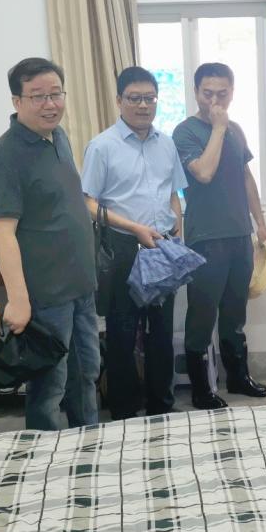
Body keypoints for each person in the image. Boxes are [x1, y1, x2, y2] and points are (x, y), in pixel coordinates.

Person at [0, 57, 99, 430]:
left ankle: (88, 442)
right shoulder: (6, 156)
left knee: (87, 373)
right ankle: (42, 453)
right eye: (38, 96)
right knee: (49, 386)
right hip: (47, 295)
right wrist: (18, 300)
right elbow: (4, 232)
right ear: (17, 101)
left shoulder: (58, 137)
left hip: (80, 286)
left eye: (56, 94)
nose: (50, 104)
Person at [81, 66, 187, 420]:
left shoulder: (166, 144)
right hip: (122, 248)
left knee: (161, 332)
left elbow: (173, 193)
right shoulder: (102, 147)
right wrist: (134, 227)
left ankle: (162, 407)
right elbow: (88, 203)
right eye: (135, 98)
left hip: (161, 247)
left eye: (150, 98)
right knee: (123, 334)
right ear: (119, 100)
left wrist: (177, 228)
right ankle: (125, 412)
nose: (143, 105)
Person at [171, 62, 266, 408]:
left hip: (240, 235)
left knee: (235, 312)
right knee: (202, 314)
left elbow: (246, 177)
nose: (215, 100)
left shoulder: (236, 129)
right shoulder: (185, 132)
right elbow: (203, 172)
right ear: (195, 92)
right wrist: (217, 129)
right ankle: (202, 390)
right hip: (205, 239)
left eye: (222, 93)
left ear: (232, 92)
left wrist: (260, 223)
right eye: (207, 93)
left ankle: (239, 377)